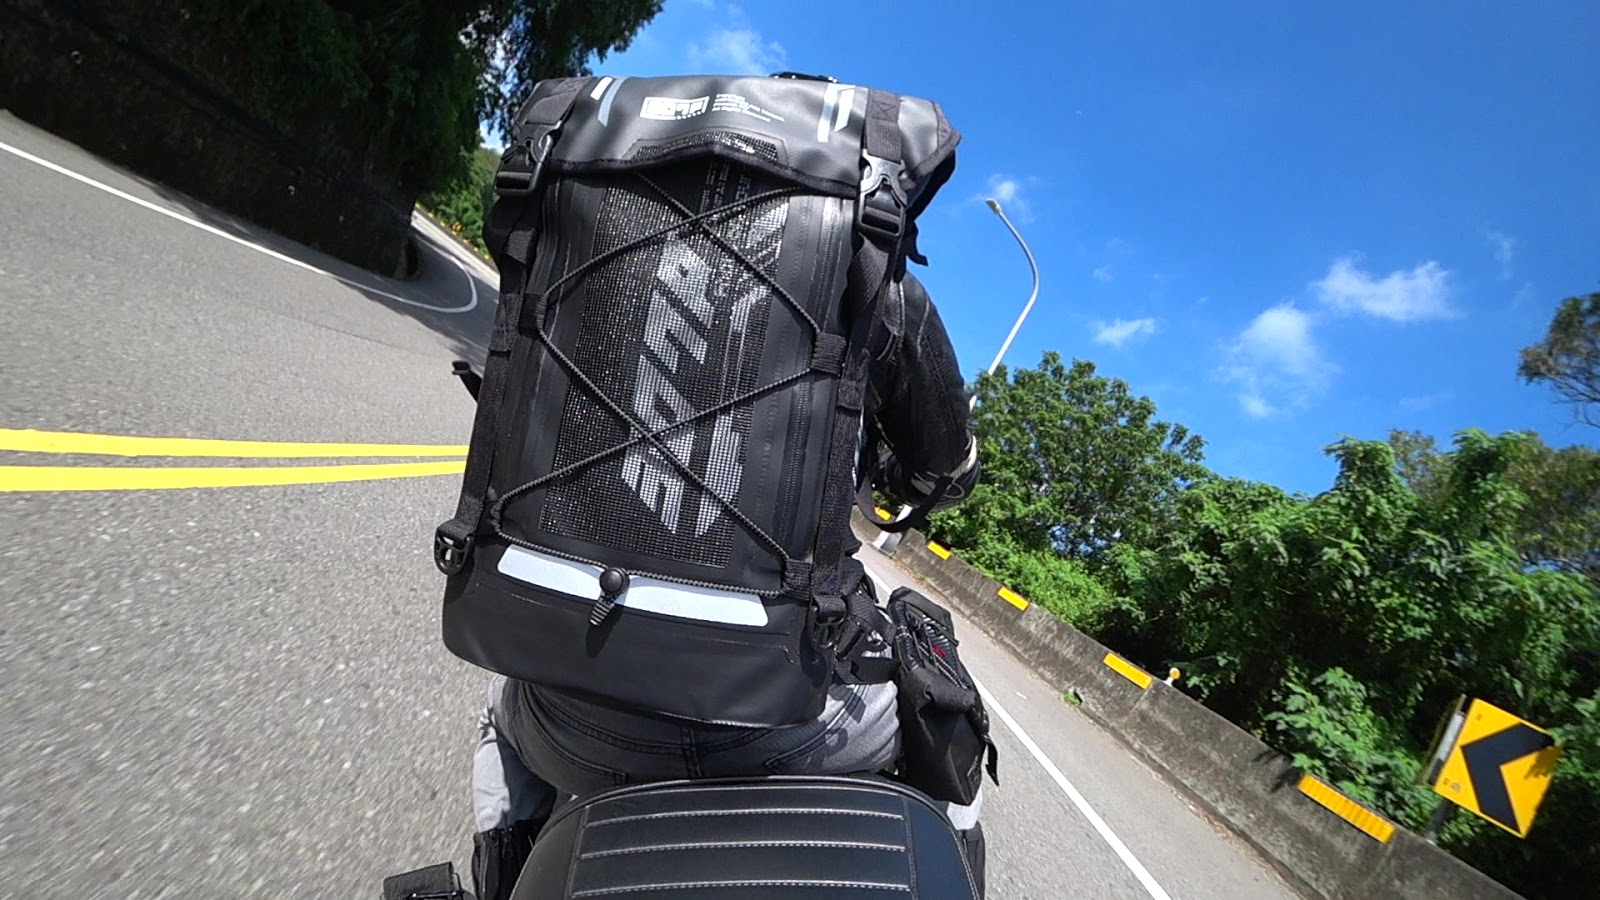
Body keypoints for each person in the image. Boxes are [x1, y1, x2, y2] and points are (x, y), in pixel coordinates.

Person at [468, 263, 985, 900]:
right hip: (796, 726)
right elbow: (944, 471)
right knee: (947, 711)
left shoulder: (599, 246)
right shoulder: (872, 276)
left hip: (576, 724)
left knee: (502, 711)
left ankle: (502, 876)